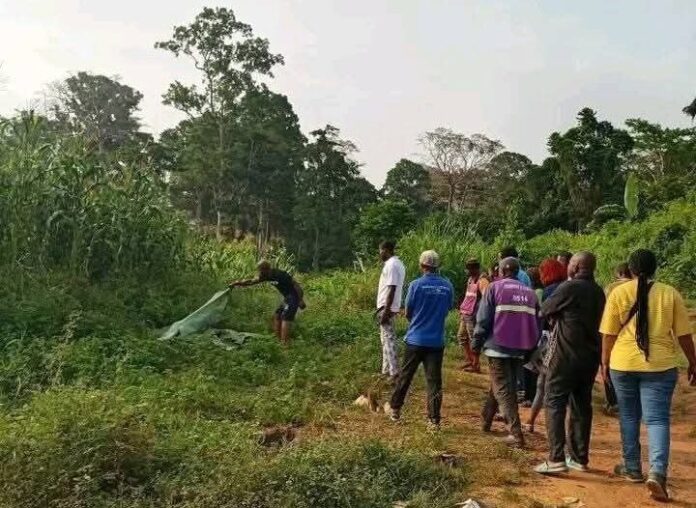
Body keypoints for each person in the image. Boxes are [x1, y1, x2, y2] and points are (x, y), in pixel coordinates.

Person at [600, 249, 696, 502]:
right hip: (660, 366)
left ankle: (632, 468)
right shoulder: (670, 293)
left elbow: (608, 334)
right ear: (655, 268)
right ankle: (657, 473)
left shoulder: (618, 293)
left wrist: (605, 362)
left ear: (630, 269)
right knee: (657, 420)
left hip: (623, 363)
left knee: (628, 416)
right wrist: (693, 362)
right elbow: (684, 335)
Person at [534, 252, 605, 475]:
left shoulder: (569, 287)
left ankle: (556, 458)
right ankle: (579, 458)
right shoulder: (598, 291)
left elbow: (544, 309)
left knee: (554, 401)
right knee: (581, 406)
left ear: (575, 267)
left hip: (565, 356)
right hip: (590, 357)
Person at [472, 257, 540, 448]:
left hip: (498, 346)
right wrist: (530, 348)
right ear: (518, 272)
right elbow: (537, 322)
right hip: (519, 348)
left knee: (503, 390)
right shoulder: (530, 293)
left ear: (500, 271)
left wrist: (476, 342)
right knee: (499, 385)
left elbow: (483, 319)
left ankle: (516, 434)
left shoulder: (494, 288)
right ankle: (485, 421)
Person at [387, 250, 454, 430]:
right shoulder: (447, 286)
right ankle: (434, 420)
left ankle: (395, 410)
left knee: (406, 376)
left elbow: (408, 312)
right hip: (436, 342)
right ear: (437, 266)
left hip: (415, 340)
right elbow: (447, 309)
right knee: (434, 382)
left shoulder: (416, 285)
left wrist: (418, 321)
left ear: (422, 265)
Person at [525, 258, 567, 433]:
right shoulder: (568, 287)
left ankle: (531, 421)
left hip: (550, 340)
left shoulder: (550, 291)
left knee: (542, 384)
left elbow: (543, 316)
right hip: (567, 342)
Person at [229, 261, 305, 346]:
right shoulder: (265, 276)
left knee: (285, 317)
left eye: (261, 270)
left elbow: (296, 285)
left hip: (293, 296)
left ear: (266, 269)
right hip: (287, 298)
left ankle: (285, 345)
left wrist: (300, 300)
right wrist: (237, 283)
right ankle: (278, 341)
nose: (260, 273)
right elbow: (251, 281)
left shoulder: (279, 274)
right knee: (277, 315)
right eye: (259, 271)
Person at [602, 262, 633, 414]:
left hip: (613, 330)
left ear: (619, 273)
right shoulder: (642, 287)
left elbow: (605, 311)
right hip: (635, 334)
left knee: (609, 366)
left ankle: (613, 401)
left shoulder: (611, 288)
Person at [376, 241, 407, 381]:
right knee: (385, 339)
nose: (380, 254)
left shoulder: (392, 265)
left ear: (386, 250)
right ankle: (386, 370)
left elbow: (392, 288)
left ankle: (394, 372)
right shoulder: (395, 264)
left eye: (380, 250)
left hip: (386, 307)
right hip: (385, 307)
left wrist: (386, 310)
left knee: (389, 339)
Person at [457, 259, 490, 373]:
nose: (466, 271)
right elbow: (468, 296)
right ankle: (470, 360)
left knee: (473, 338)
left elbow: (487, 298)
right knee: (462, 337)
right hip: (466, 312)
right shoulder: (471, 279)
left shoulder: (482, 280)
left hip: (474, 314)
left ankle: (476, 364)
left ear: (474, 269)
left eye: (468, 269)